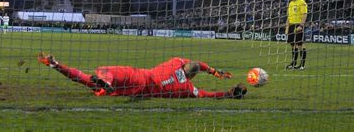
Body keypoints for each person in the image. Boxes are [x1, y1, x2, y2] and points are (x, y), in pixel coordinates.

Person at [37, 52, 247, 99]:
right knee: (92, 83)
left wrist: (213, 71)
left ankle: (55, 64)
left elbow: (196, 64)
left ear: (183, 67)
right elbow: (206, 94)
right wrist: (228, 93)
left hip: (138, 75)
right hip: (141, 89)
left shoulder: (175, 62)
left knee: (101, 73)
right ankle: (56, 65)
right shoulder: (186, 89)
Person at [285, 0, 308, 70]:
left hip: (298, 25)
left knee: (300, 45)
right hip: (291, 25)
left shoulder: (302, 2)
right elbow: (289, 16)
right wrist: (287, 27)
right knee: (292, 45)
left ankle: (302, 65)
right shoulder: (290, 3)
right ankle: (293, 63)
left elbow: (304, 14)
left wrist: (301, 26)